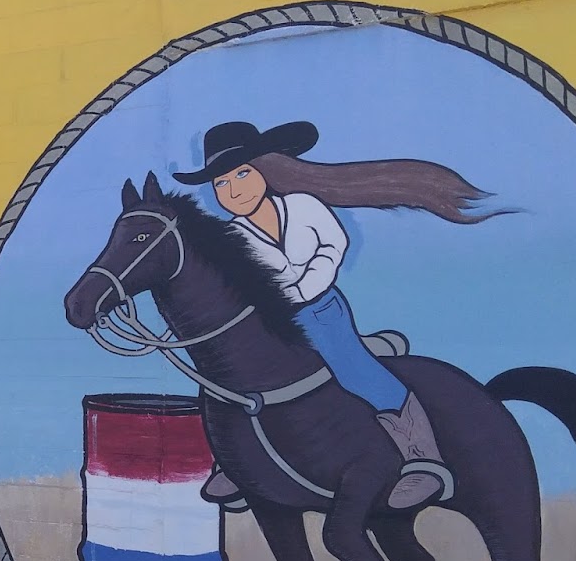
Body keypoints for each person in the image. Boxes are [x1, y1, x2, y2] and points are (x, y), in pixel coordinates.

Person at [174, 120, 502, 511]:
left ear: (266, 170)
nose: (233, 190)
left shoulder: (303, 206)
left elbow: (333, 245)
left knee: (354, 371)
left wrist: (304, 286)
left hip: (320, 309)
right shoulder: (232, 237)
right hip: (272, 323)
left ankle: (423, 458)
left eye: (242, 174)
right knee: (236, 375)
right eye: (221, 183)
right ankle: (236, 462)